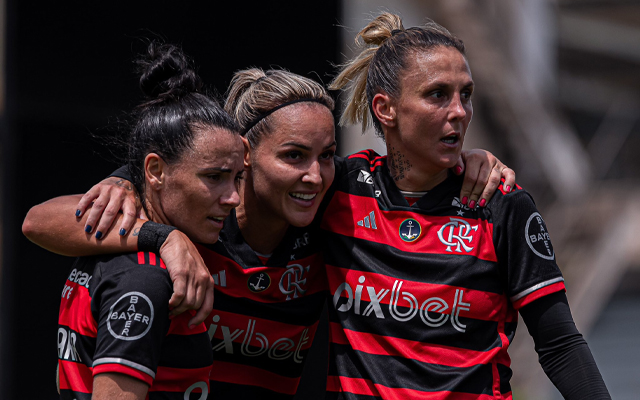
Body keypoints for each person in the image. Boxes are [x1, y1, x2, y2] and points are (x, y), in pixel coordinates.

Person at [24, 60, 515, 398]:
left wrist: (467, 163)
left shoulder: (330, 215)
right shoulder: (195, 218)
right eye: (293, 156)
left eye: (326, 156)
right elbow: (37, 222)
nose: (314, 175)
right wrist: (154, 224)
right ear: (244, 155)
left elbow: (407, 183)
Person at [319, 12, 611, 399]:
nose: (459, 111)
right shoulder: (336, 191)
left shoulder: (501, 204)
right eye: (438, 94)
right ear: (385, 109)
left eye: (466, 94)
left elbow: (559, 344)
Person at [23, 42, 246, 399]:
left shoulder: (109, 236)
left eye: (237, 177)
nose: (233, 197)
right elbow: (34, 221)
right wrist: (166, 237)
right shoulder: (145, 281)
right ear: (155, 171)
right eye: (214, 177)